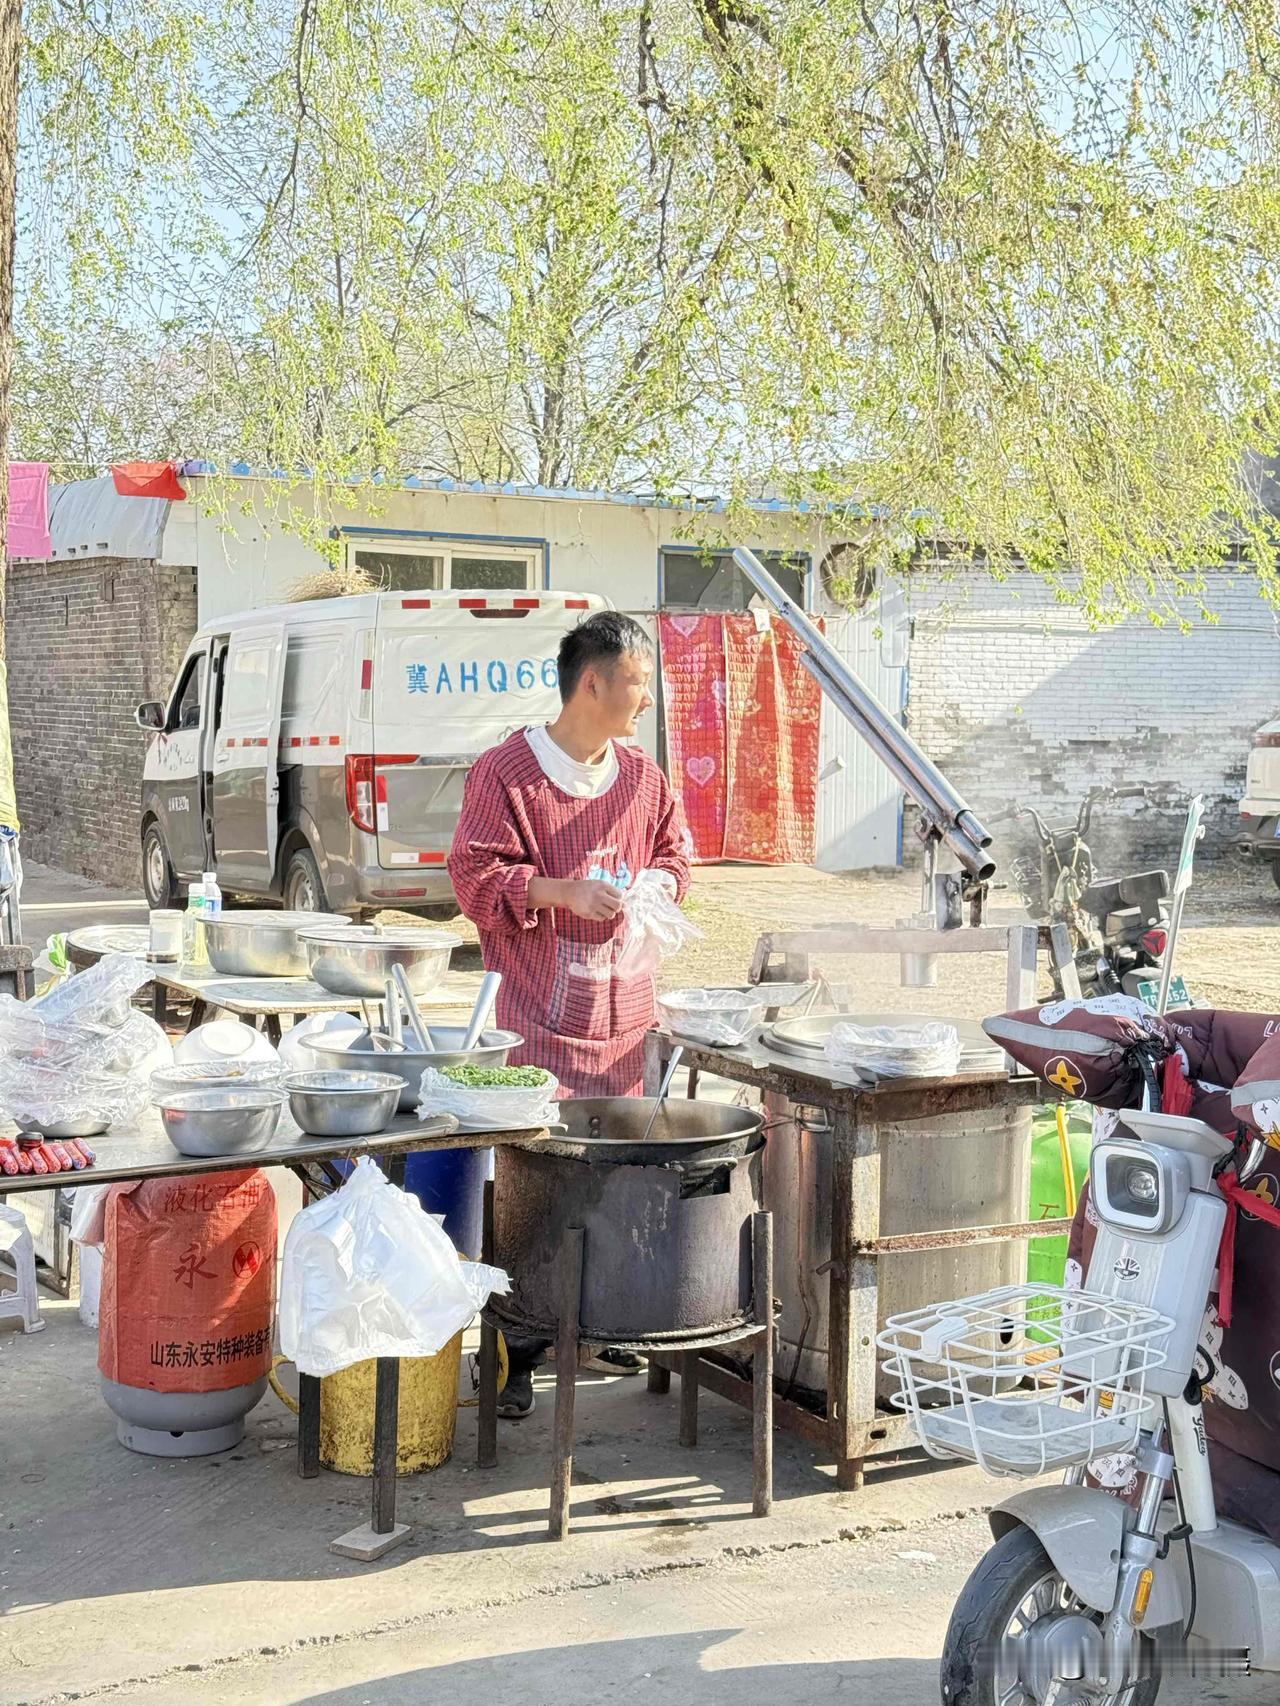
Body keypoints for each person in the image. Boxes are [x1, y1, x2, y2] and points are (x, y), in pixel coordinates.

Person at [448, 611, 692, 1418]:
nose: (646, 701)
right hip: (536, 1028)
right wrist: (559, 891)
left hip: (624, 1024)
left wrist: (658, 890)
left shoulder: (644, 778)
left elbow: (673, 853)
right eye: (639, 683)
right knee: (534, 1188)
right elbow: (473, 880)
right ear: (593, 683)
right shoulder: (507, 774)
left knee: (617, 1183)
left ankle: (606, 1326)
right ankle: (513, 1350)